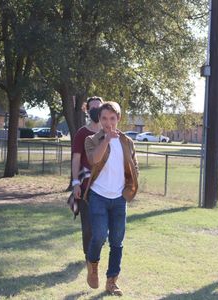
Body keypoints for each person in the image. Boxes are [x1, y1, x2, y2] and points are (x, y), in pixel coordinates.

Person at [83, 101, 139, 296]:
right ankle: (93, 265)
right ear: (99, 119)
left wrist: (129, 188)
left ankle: (112, 281)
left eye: (112, 118)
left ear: (118, 119)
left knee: (117, 241)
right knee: (98, 236)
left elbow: (134, 167)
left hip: (119, 199)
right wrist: (106, 139)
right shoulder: (92, 140)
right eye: (104, 118)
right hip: (98, 196)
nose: (108, 122)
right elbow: (94, 160)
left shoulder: (127, 142)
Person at [71, 96, 103, 261]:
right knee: (88, 227)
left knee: (103, 227)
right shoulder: (82, 134)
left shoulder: (108, 133)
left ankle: (94, 253)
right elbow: (76, 159)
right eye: (93, 108)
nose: (96, 110)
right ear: (87, 110)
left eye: (99, 106)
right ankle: (89, 257)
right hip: (86, 188)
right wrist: (75, 183)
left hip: (105, 187)